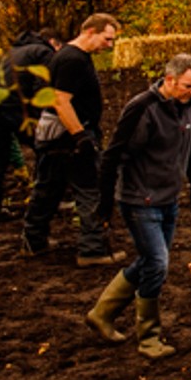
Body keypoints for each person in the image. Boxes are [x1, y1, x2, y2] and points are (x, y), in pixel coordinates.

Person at [85, 54, 191, 358]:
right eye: (188, 87)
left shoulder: (189, 107)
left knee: (151, 261)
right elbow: (114, 155)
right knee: (157, 264)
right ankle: (149, 337)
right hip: (140, 200)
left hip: (169, 198)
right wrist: (104, 201)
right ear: (169, 79)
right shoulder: (142, 109)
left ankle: (101, 314)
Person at [20, 14, 122, 263]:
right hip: (66, 136)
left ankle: (33, 241)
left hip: (54, 135)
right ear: (89, 31)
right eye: (106, 39)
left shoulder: (68, 56)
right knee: (90, 190)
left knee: (48, 189)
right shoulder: (73, 60)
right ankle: (92, 249)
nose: (109, 45)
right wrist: (81, 137)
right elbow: (60, 100)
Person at [0, 28, 57, 221]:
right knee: (45, 149)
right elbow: (41, 86)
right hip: (17, 107)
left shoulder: (13, 51)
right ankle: (47, 199)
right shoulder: (44, 52)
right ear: (52, 41)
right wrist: (44, 117)